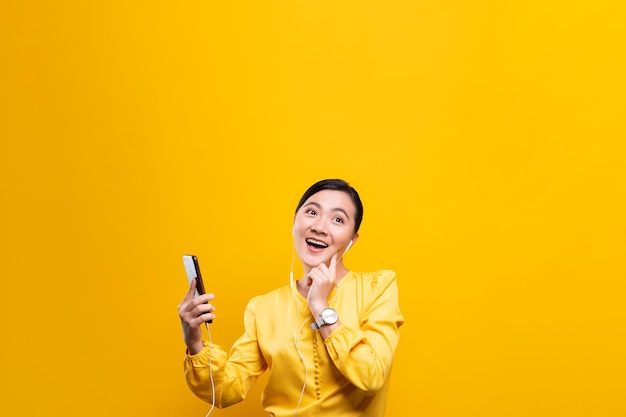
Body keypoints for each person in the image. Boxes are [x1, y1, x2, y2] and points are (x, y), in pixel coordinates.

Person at [178, 179, 404, 417]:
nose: (319, 226)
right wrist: (194, 342)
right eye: (312, 212)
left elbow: (371, 376)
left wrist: (320, 306)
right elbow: (225, 391)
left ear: (352, 239)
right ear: (295, 221)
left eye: (338, 219)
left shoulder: (378, 288)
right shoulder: (263, 308)